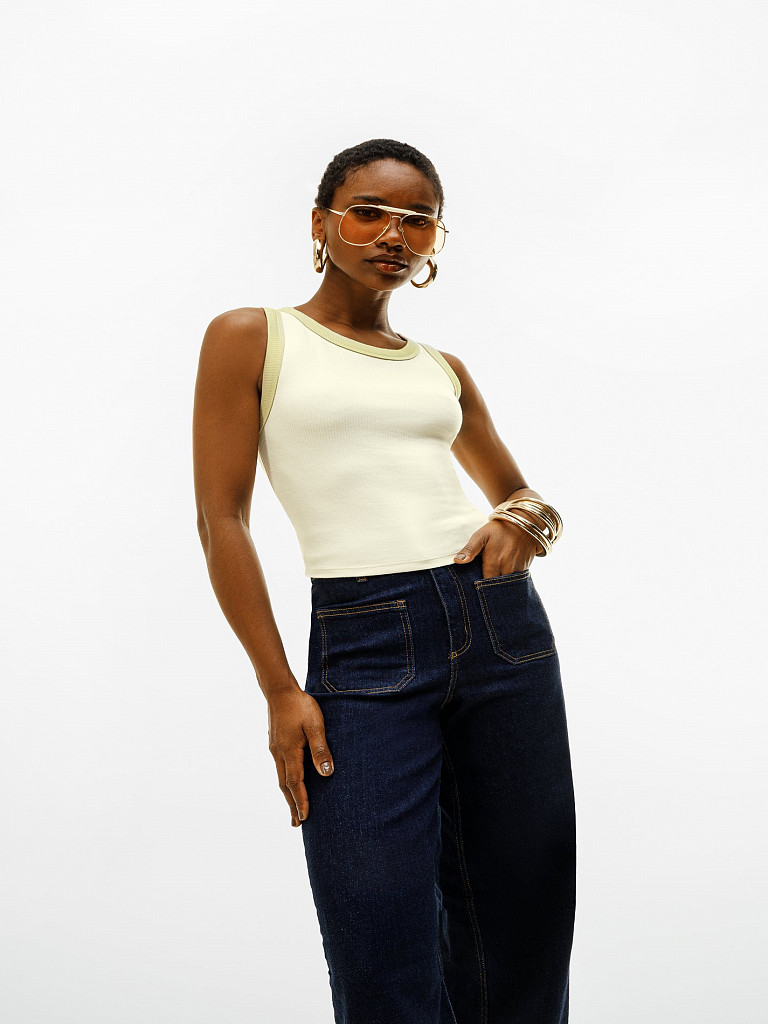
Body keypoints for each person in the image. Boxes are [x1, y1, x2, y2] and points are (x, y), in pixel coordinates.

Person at [192, 138, 576, 1024]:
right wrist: (280, 687)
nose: (393, 235)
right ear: (322, 222)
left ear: (436, 239)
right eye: (368, 212)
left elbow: (520, 495)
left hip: (502, 630)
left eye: (418, 221)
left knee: (522, 917)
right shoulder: (252, 336)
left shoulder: (441, 368)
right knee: (375, 930)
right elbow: (222, 520)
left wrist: (524, 525)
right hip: (365, 638)